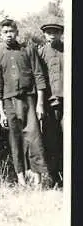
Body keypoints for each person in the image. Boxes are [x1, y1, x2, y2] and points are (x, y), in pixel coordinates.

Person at [0, 19, 48, 187]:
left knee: (34, 138)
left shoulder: (28, 50)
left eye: (11, 31)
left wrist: (40, 104)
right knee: (15, 141)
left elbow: (39, 76)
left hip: (29, 100)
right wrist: (1, 112)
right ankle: (21, 180)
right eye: (5, 32)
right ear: (1, 35)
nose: (9, 35)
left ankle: (38, 180)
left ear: (17, 32)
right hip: (10, 103)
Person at [38, 22, 64, 186]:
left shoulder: (68, 50)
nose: (52, 34)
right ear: (44, 35)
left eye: (55, 31)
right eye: (48, 32)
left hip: (67, 102)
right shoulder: (40, 53)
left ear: (61, 33)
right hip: (49, 104)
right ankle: (55, 178)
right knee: (51, 140)